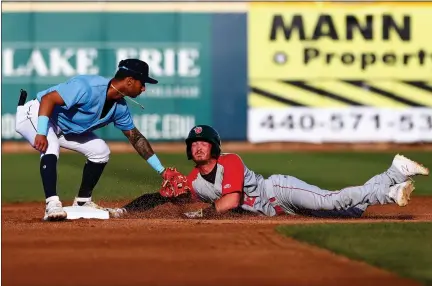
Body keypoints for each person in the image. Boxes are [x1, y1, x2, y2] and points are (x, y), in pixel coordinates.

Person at [123, 125, 429, 219]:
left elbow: (228, 202)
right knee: (351, 213)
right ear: (189, 150)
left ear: (214, 147)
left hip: (279, 191)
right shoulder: (192, 181)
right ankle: (393, 173)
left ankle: (386, 193)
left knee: (330, 200)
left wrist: (198, 214)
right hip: (280, 212)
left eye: (204, 143)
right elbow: (175, 197)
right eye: (194, 144)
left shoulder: (230, 161)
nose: (199, 148)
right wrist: (150, 200)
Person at [15, 59, 186, 221]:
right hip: (37, 114)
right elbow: (48, 99)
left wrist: (162, 171)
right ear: (129, 81)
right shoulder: (88, 86)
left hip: (64, 127)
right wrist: (42, 132)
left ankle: (83, 201)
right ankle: (52, 204)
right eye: (143, 83)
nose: (144, 88)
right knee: (50, 145)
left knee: (100, 150)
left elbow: (136, 137)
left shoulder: (120, 107)